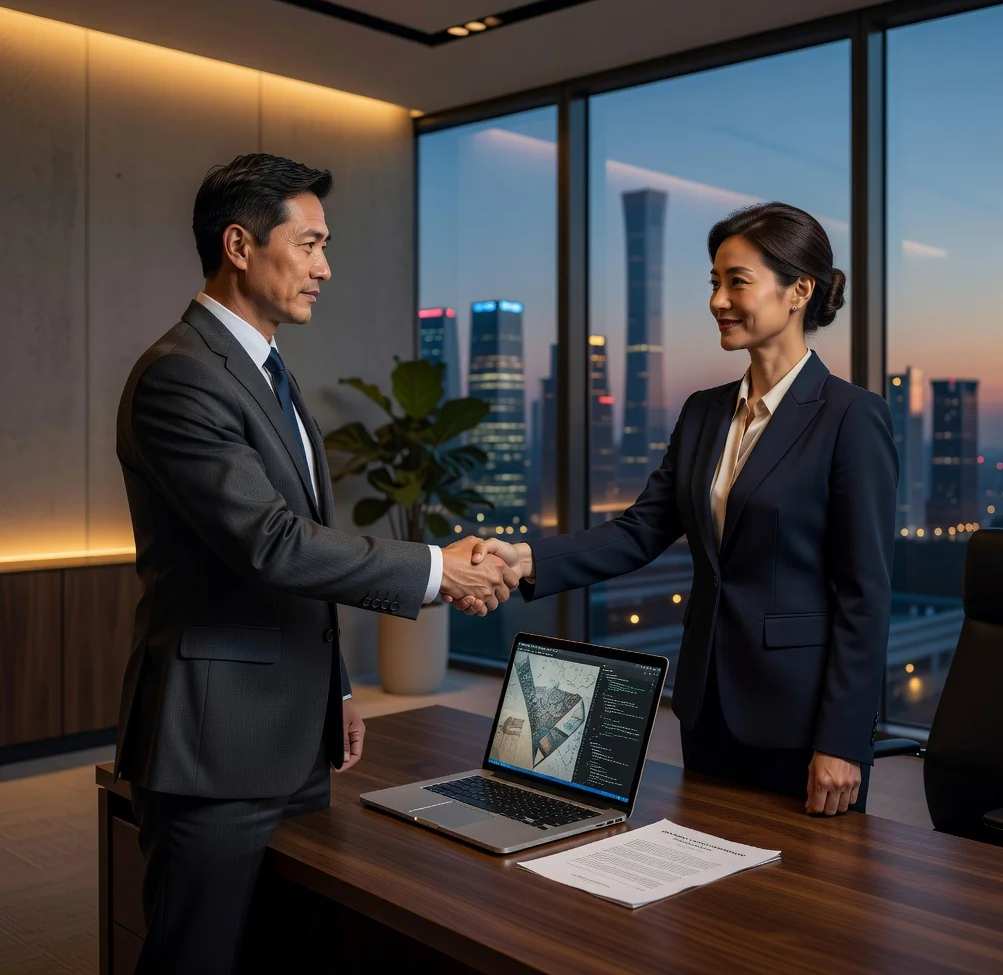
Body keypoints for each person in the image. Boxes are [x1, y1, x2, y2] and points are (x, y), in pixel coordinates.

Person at [114, 152, 515, 974]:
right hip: (215, 740)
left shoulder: (268, 370)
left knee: (282, 948)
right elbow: (270, 543)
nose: (325, 268)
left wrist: (332, 688)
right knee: (195, 958)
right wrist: (440, 569)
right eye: (310, 245)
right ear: (239, 245)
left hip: (292, 729)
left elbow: (295, 543)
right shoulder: (180, 376)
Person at [458, 202, 898, 818]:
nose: (718, 299)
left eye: (736, 282)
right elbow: (640, 530)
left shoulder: (851, 417)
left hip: (800, 717)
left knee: (807, 903)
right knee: (705, 886)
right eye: (714, 282)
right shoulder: (704, 412)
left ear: (799, 290)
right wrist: (524, 558)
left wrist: (844, 740)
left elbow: (865, 593)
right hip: (707, 701)